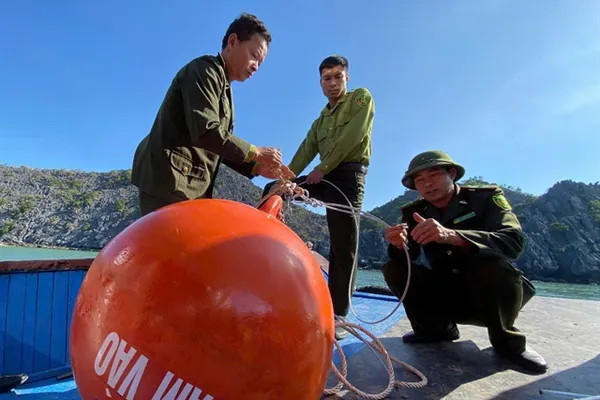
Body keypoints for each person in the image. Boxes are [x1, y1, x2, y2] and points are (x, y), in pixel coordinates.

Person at [382, 150, 548, 373]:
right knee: (395, 268)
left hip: (489, 295)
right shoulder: (414, 213)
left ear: (452, 173)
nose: (427, 184)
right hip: (445, 293)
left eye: (434, 175)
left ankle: (508, 344)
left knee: (492, 265)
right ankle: (435, 330)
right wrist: (398, 245)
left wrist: (454, 236)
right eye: (420, 180)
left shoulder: (486, 199)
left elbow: (513, 242)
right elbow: (409, 259)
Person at [131, 13, 294, 216]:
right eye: (253, 55)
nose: (256, 67)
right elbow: (206, 131)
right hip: (169, 180)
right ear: (232, 41)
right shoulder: (204, 70)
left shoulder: (224, 87)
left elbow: (217, 148)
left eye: (260, 62)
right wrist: (256, 152)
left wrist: (256, 168)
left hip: (186, 184)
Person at [264, 55, 375, 339]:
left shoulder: (360, 99)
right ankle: (268, 261)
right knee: (272, 192)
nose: (333, 83)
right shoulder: (320, 120)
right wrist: (284, 181)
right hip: (322, 175)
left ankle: (339, 314)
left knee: (343, 241)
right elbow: (305, 150)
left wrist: (323, 168)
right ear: (320, 83)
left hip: (348, 176)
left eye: (338, 76)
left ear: (347, 78)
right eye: (327, 78)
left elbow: (353, 135)